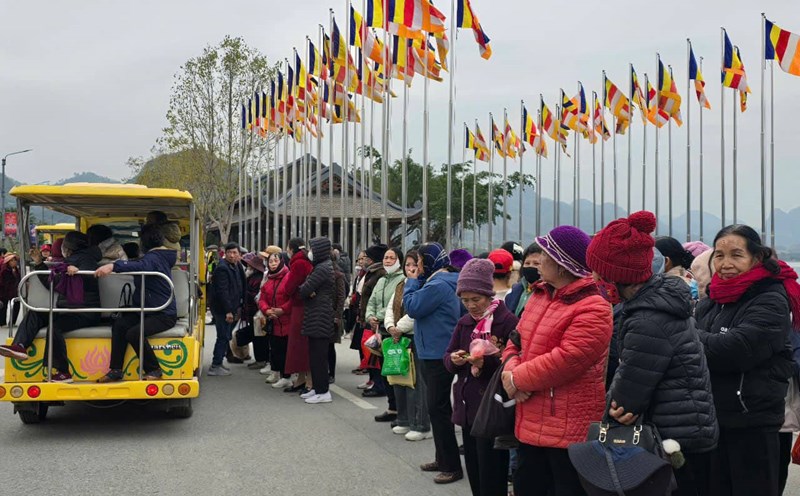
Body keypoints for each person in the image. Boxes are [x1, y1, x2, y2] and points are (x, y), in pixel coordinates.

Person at [587, 211, 719, 495]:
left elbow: (626, 398)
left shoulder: (648, 318)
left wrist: (610, 414)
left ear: (619, 276)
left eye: (600, 271)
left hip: (673, 438)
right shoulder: (657, 302)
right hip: (682, 429)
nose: (595, 277)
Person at [500, 225, 613, 496]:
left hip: (568, 430)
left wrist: (516, 378)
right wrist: (509, 369)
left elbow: (567, 359)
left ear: (563, 266)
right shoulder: (539, 295)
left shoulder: (594, 307)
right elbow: (515, 341)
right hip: (530, 419)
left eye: (546, 257)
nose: (538, 262)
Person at [694, 224, 796, 496]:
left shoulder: (771, 298)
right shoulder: (711, 301)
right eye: (719, 255)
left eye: (736, 255)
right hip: (713, 420)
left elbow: (737, 350)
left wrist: (691, 338)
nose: (725, 264)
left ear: (756, 258)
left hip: (753, 422)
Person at [445, 258, 518, 496]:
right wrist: (455, 360)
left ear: (489, 295)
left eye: (476, 299)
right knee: (474, 471)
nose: (471, 305)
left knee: (492, 473)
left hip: (492, 409)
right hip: (468, 409)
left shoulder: (507, 322)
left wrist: (485, 362)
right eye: (465, 300)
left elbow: (513, 362)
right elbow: (447, 356)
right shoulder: (464, 323)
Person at [0, 233, 101, 382]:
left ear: (69, 246)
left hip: (84, 311)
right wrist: (40, 263)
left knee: (55, 327)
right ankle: (20, 345)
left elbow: (89, 275)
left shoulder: (86, 258)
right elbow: (54, 283)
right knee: (36, 313)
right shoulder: (73, 259)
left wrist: (76, 271)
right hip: (68, 309)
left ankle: (63, 372)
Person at [403, 242, 464, 484]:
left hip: (436, 352)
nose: (416, 267)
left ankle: (451, 465)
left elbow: (412, 306)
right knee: (438, 408)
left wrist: (411, 281)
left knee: (438, 410)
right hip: (437, 349)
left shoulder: (438, 284)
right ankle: (443, 457)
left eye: (418, 262)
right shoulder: (445, 280)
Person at [96, 224, 177, 382]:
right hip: (146, 310)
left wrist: (113, 265)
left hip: (163, 313)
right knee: (120, 324)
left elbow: (143, 266)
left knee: (134, 333)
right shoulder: (158, 256)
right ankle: (116, 369)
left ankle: (154, 369)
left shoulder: (154, 257)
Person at [384, 250, 432, 441]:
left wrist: (399, 328)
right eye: (408, 265)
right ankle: (404, 419)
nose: (411, 269)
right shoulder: (401, 285)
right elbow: (390, 307)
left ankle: (421, 425)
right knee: (399, 379)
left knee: (416, 384)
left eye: (415, 265)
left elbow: (415, 311)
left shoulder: (425, 284)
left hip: (413, 337)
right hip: (398, 337)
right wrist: (389, 326)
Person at [365, 247, 405, 418]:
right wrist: (370, 316)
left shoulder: (402, 280)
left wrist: (379, 316)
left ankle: (400, 408)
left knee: (396, 370)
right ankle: (392, 407)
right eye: (386, 258)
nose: (387, 261)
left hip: (393, 329)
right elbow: (371, 300)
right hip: (379, 329)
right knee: (386, 370)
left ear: (399, 260)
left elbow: (393, 304)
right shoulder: (381, 280)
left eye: (391, 258)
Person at [298, 237, 335, 404]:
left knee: (319, 357)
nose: (309, 252)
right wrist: (308, 291)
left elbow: (304, 290)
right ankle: (317, 388)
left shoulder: (322, 268)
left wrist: (308, 291)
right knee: (314, 355)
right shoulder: (320, 266)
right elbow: (306, 290)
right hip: (316, 315)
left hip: (320, 316)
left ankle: (323, 391)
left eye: (312, 249)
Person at [208, 242, 245, 376]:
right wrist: (228, 311)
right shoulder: (222, 268)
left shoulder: (237, 266)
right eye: (229, 252)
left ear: (239, 255)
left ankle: (219, 363)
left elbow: (240, 286)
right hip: (223, 309)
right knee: (222, 336)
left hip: (233, 307)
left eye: (235, 252)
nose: (231, 255)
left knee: (225, 336)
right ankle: (215, 365)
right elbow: (222, 292)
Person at [282, 238, 314, 392]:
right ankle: (301, 379)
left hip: (300, 307)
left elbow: (289, 287)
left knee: (300, 345)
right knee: (300, 345)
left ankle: (307, 380)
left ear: (291, 248)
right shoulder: (305, 260)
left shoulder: (298, 263)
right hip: (303, 306)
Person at [358, 244, 389, 393]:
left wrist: (375, 316)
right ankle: (373, 381)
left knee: (375, 353)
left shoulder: (380, 274)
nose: (364, 260)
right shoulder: (371, 272)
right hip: (368, 318)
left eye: (368, 258)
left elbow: (378, 298)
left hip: (376, 320)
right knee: (369, 350)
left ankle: (379, 385)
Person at [231, 253, 269, 370]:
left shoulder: (257, 278)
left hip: (256, 311)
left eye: (249, 266)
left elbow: (255, 295)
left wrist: (243, 291)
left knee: (259, 337)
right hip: (252, 311)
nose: (248, 268)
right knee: (256, 336)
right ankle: (260, 359)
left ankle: (261, 360)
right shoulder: (253, 277)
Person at [259, 252, 293, 388]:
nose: (272, 264)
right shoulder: (268, 278)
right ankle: (277, 372)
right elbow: (262, 298)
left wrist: (282, 310)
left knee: (286, 350)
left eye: (275, 261)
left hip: (287, 321)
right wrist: (266, 310)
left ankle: (287, 376)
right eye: (270, 261)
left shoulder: (289, 276)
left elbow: (293, 298)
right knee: (275, 349)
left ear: (282, 261)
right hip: (273, 320)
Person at [504, 243, 543, 318]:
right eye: (527, 263)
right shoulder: (514, 291)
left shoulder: (548, 293)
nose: (530, 266)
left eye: (536, 263)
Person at [329, 249, 347, 384]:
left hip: (332, 315)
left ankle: (331, 373)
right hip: (324, 314)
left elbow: (341, 296)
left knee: (329, 346)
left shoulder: (338, 275)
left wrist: (337, 315)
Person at [0, 253, 21, 326]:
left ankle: (12, 322)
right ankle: (2, 323)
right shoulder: (4, 270)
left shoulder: (17, 270)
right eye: (11, 260)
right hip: (4, 292)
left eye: (15, 260)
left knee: (16, 306)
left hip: (14, 291)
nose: (14, 262)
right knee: (3, 307)